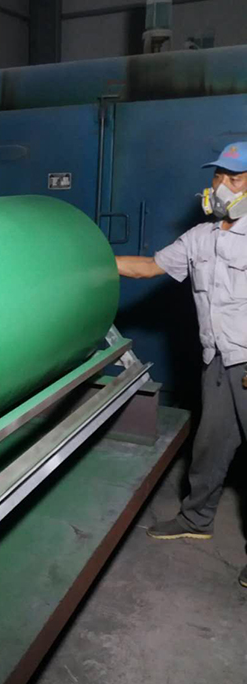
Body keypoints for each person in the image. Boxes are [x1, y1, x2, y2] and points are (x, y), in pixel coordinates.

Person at [116, 142, 247, 588]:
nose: (223, 186)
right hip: (218, 360)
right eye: (218, 176)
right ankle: (196, 518)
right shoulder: (200, 238)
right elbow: (149, 267)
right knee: (210, 446)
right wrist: (93, 261)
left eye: (235, 178)